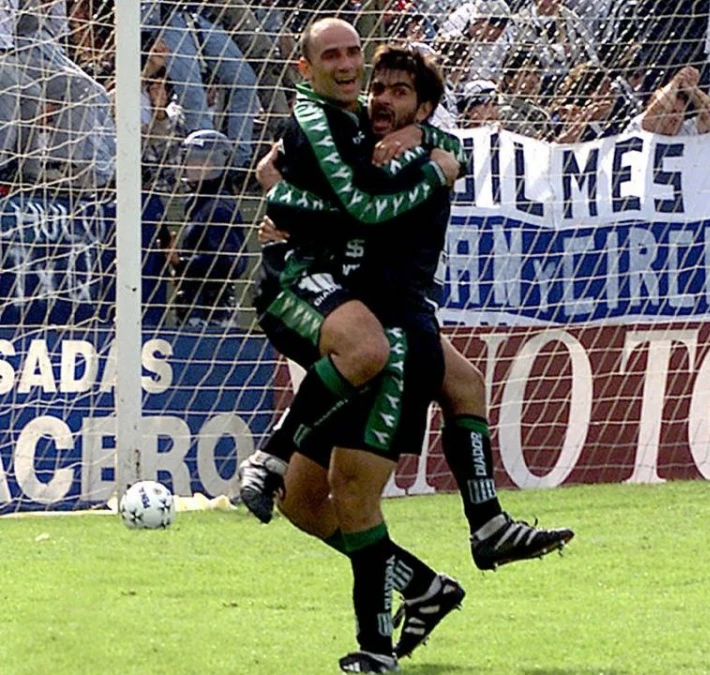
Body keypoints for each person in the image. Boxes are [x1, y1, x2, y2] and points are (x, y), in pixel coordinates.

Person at [242, 19, 570, 576]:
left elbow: (372, 195)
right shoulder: (355, 137)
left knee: (334, 498)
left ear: (423, 108)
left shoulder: (402, 149)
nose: (378, 94)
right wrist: (286, 200)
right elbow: (322, 186)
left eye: (397, 91)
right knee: (315, 498)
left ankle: (433, 570)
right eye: (380, 87)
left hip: (384, 321)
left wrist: (429, 146)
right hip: (358, 315)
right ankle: (453, 551)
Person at [169, 130, 247, 329]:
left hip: (213, 311)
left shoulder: (219, 207)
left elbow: (232, 262)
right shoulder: (198, 203)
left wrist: (182, 262)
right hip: (193, 304)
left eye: (201, 161)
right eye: (191, 160)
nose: (192, 166)